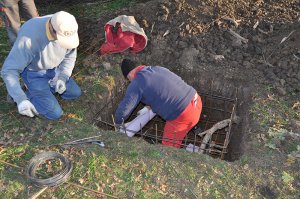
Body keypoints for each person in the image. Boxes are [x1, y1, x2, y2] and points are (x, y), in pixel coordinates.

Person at [1, 11, 81, 120]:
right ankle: (25, 92)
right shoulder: (29, 38)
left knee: (75, 93)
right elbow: (9, 70)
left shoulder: (67, 25)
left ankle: (44, 90)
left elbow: (70, 56)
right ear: (53, 30)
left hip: (54, 69)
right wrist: (21, 99)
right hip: (34, 72)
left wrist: (62, 77)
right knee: (55, 113)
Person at [115, 59, 202, 148]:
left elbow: (124, 110)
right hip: (196, 100)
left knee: (168, 150)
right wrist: (149, 107)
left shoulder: (136, 83)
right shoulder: (157, 69)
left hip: (183, 115)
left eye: (128, 79)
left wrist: (117, 124)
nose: (130, 81)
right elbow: (162, 90)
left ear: (128, 75)